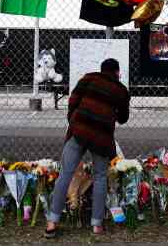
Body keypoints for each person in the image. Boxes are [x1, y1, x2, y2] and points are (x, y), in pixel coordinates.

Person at [45, 58, 130, 238]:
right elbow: (123, 118)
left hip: (79, 131)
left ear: (101, 70)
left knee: (65, 175)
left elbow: (73, 100)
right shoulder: (121, 90)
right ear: (117, 72)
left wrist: (74, 121)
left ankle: (52, 222)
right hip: (102, 137)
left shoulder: (88, 78)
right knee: (99, 177)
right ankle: (97, 225)